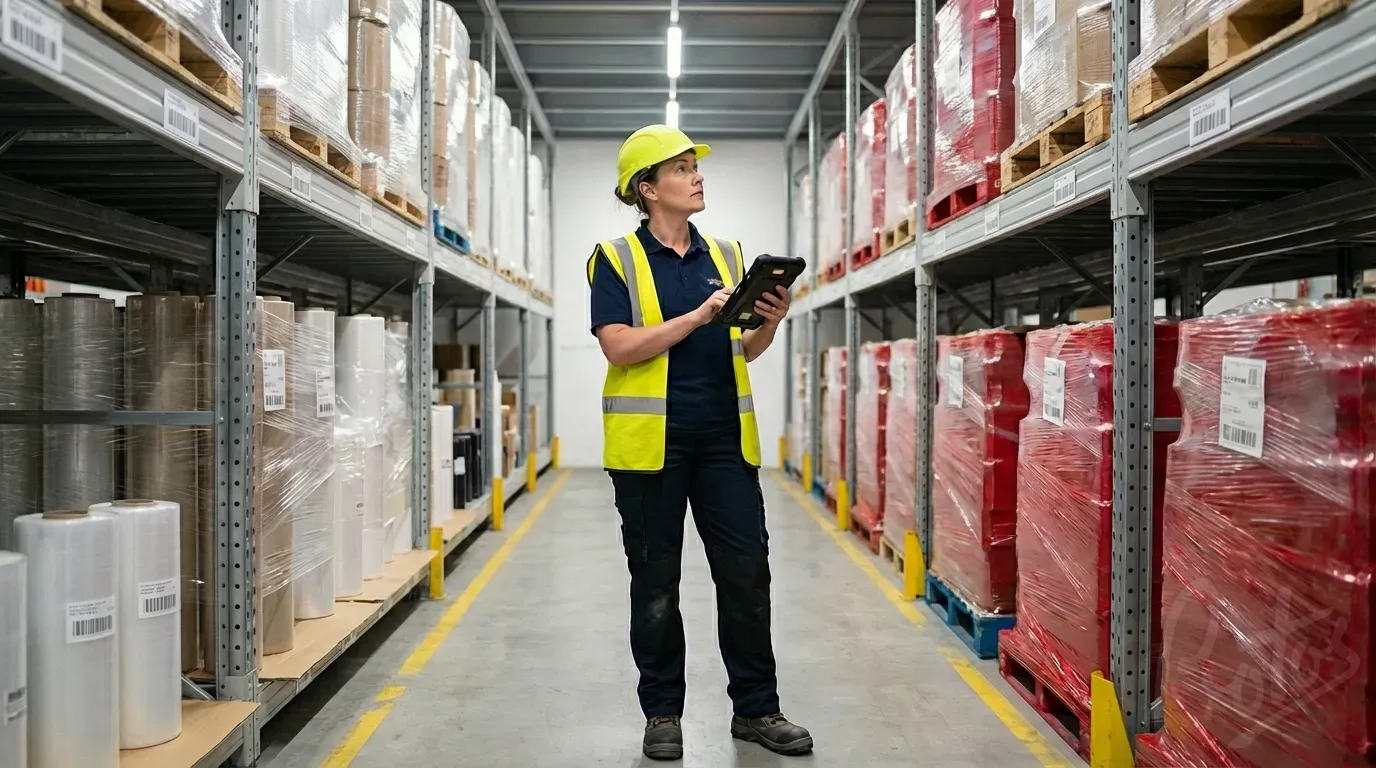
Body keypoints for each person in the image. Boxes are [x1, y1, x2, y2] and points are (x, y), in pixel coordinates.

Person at [586, 124, 812, 761]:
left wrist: (766, 324)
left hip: (723, 441)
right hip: (650, 449)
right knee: (655, 584)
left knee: (746, 574)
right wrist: (694, 317)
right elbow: (619, 345)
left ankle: (758, 710)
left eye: (695, 166)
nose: (696, 176)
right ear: (648, 189)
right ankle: (662, 713)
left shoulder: (727, 253)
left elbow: (739, 348)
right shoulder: (615, 258)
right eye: (682, 169)